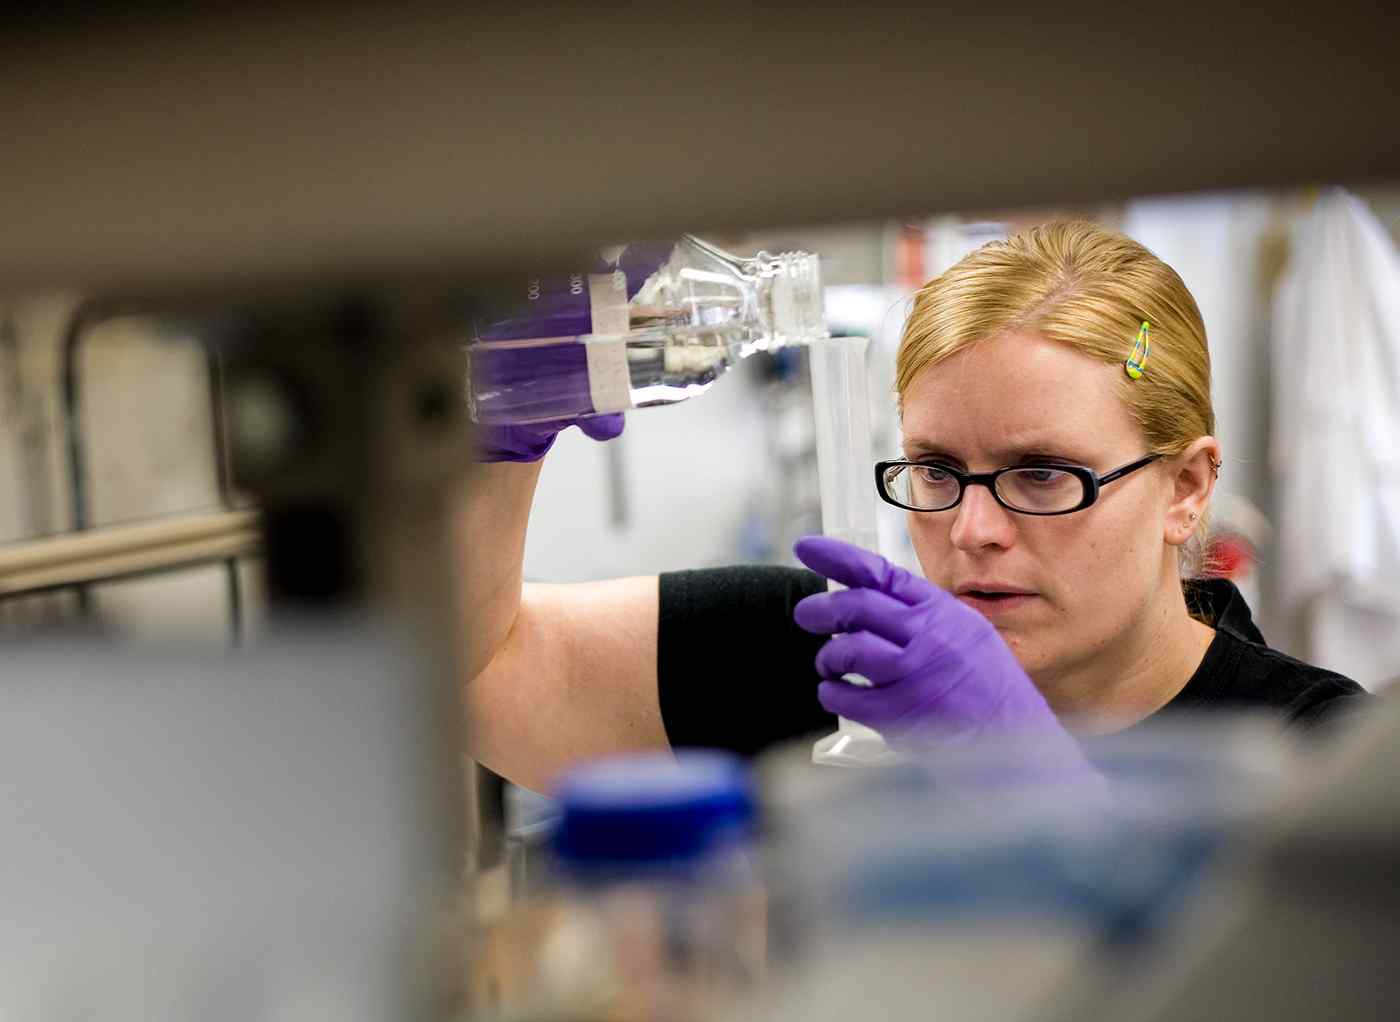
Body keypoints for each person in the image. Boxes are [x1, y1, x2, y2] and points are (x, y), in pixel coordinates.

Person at [458, 220, 1368, 793]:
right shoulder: (830, 658)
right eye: (937, 470)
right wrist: (499, 438)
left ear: (1187, 487)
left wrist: (1025, 772)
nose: (972, 529)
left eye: (1043, 474)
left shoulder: (1320, 758)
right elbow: (471, 672)